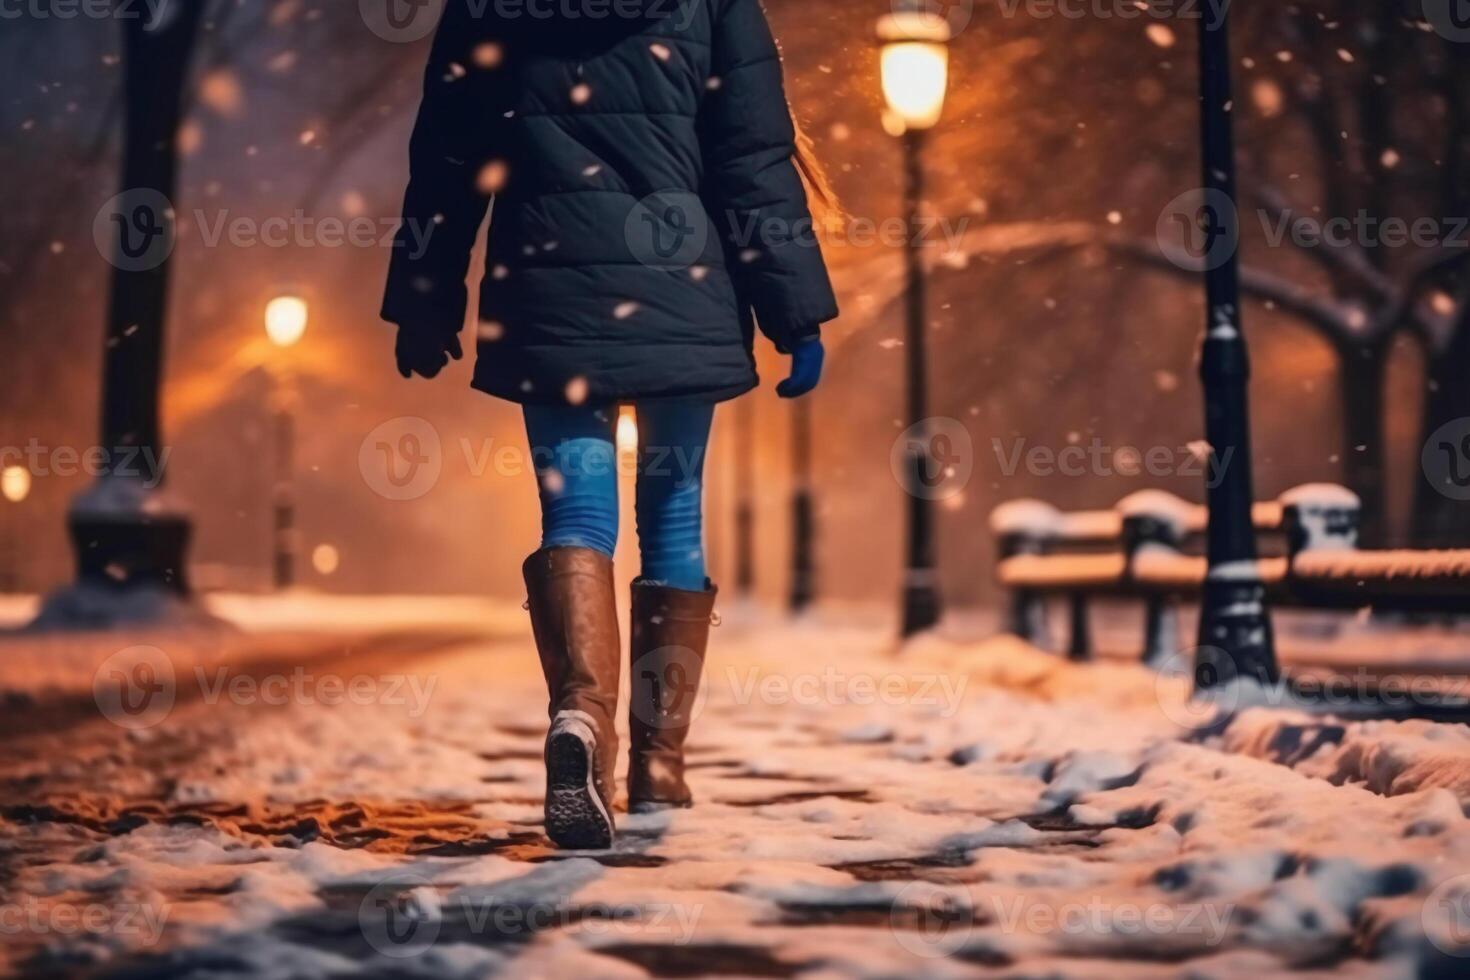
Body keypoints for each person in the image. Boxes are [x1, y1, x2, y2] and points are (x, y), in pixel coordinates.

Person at [382, 0, 839, 850]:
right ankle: (660, 763)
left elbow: (447, 153)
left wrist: (425, 293)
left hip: (545, 289)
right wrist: (796, 312)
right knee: (672, 517)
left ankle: (580, 723)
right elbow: (753, 161)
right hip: (683, 284)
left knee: (576, 519)